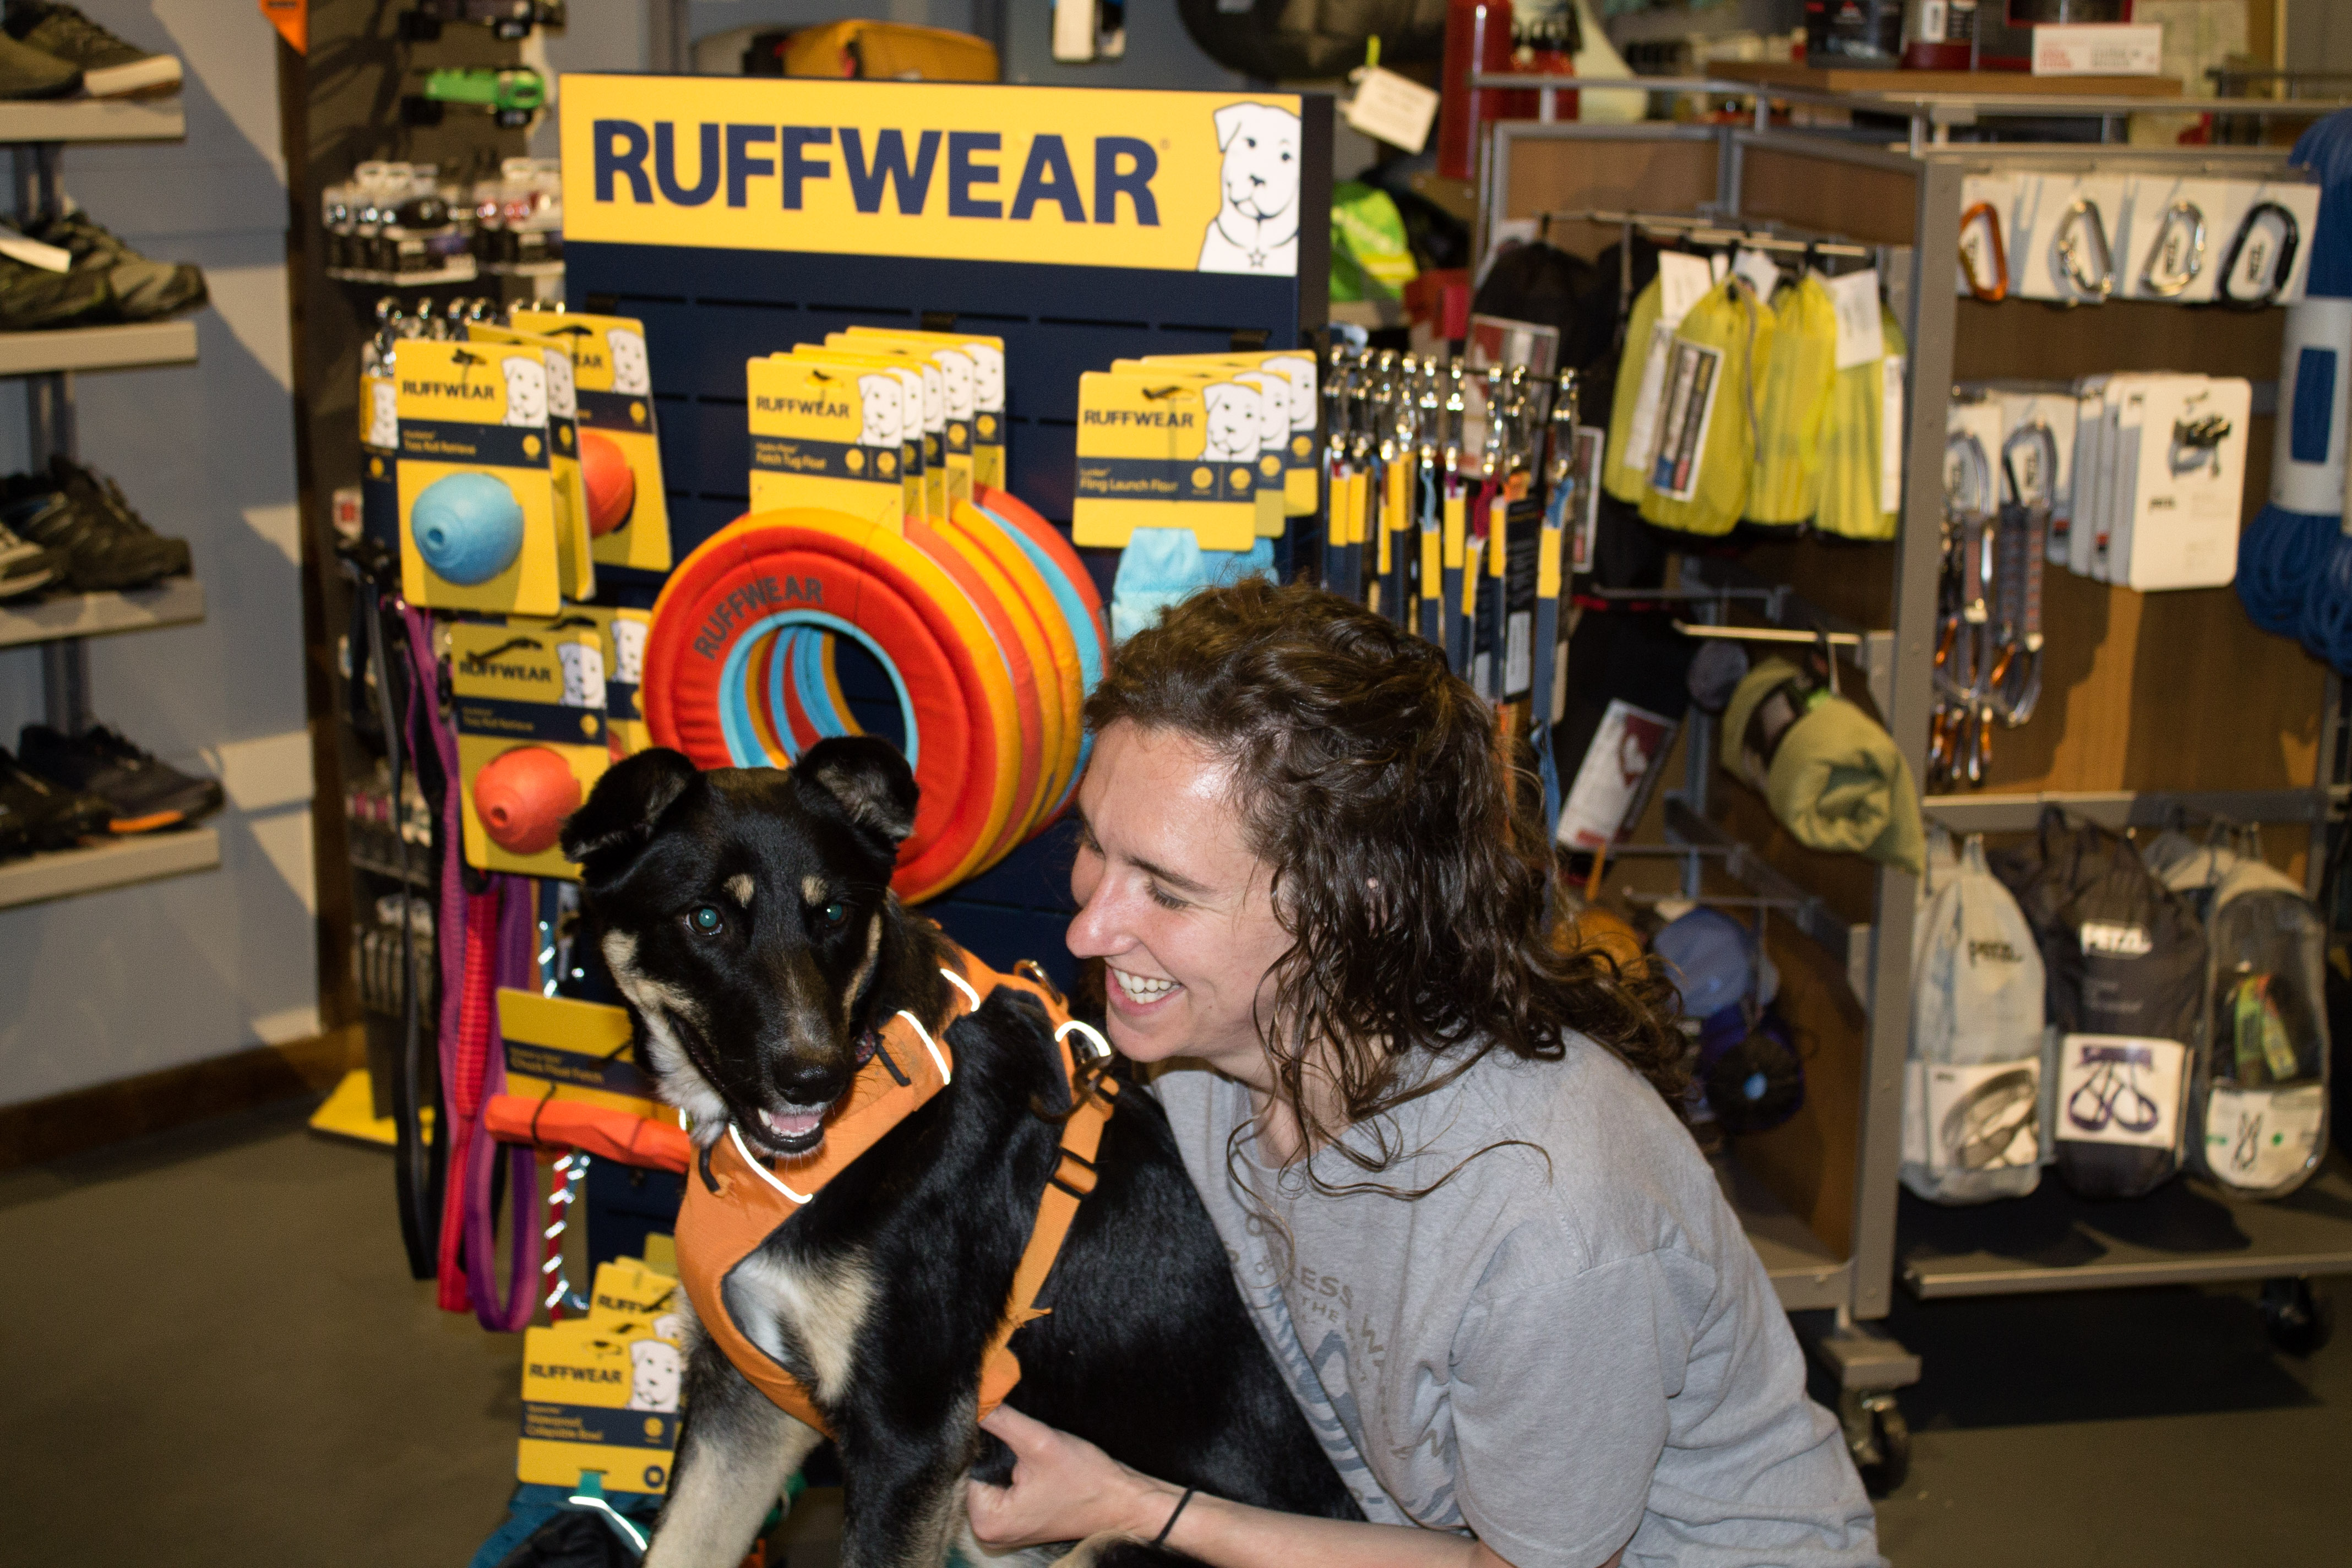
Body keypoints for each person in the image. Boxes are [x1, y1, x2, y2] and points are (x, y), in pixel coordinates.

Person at [963, 579, 1882, 1568]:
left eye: (1170, 892)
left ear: (1352, 906)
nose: (1088, 926)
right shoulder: (1201, 1059)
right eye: (1097, 847)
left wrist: (1145, 1508)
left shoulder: (1550, 1227)